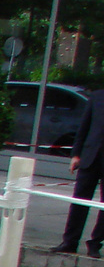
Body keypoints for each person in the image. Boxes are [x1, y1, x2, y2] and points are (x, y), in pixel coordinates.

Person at [50, 87, 104, 256]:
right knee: (79, 201)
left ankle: (95, 243)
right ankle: (70, 242)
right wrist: (76, 154)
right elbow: (84, 128)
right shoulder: (97, 97)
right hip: (90, 157)